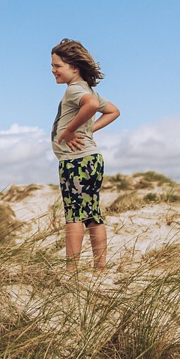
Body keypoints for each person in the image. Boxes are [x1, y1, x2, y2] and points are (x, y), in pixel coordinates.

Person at [50, 38, 120, 272]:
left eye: (57, 65)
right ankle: (100, 268)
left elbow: (89, 105)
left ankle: (71, 271)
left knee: (74, 215)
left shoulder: (75, 90)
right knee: (92, 214)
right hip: (90, 159)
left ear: (74, 67)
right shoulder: (86, 89)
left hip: (76, 161)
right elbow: (113, 111)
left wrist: (71, 130)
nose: (53, 70)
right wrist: (87, 129)